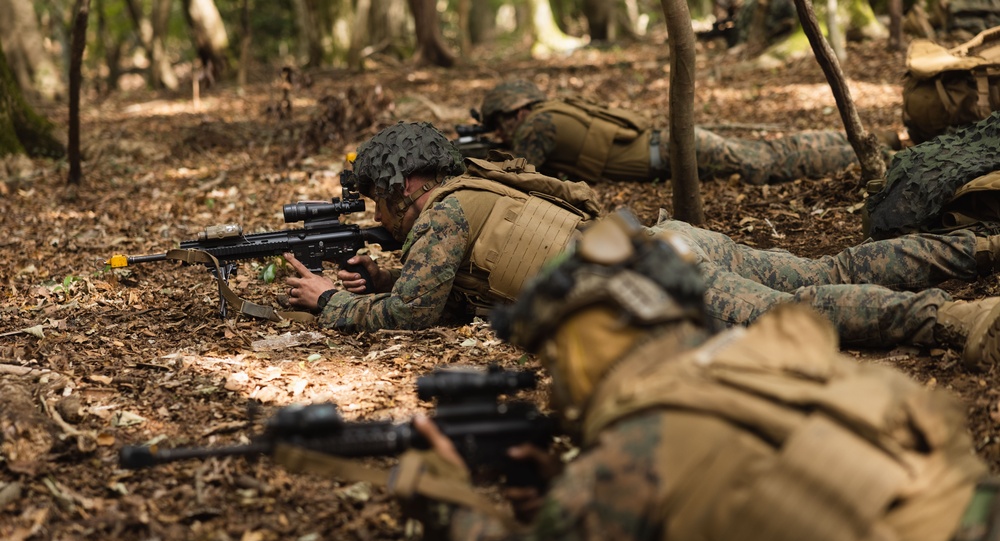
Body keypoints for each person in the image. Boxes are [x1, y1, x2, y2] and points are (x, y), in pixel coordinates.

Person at [408, 211, 1000, 541]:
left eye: (552, 357)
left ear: (584, 343)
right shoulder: (760, 357)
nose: (552, 384)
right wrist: (571, 492)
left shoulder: (632, 450)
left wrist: (454, 506)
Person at [284, 121, 1000, 370]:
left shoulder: (439, 215)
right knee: (826, 268)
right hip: (661, 241)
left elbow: (412, 318)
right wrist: (382, 278)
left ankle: (959, 319)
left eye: (380, 200)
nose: (382, 215)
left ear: (408, 185)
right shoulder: (475, 191)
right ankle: (980, 247)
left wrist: (331, 306)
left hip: (650, 271)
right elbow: (447, 295)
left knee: (800, 309)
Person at [477, 79, 887, 185]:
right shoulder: (554, 110)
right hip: (672, 143)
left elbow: (520, 176)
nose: (503, 131)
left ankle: (867, 155)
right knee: (769, 151)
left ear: (514, 112)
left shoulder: (536, 125)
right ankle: (864, 145)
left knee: (766, 163)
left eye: (500, 123)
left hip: (674, 151)